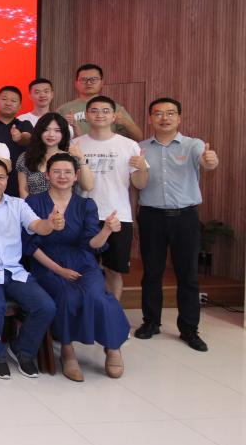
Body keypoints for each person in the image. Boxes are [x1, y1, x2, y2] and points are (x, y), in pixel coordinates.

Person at [25, 153, 129, 381]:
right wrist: (58, 270)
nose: (62, 176)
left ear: (76, 176)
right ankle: (67, 350)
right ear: (47, 175)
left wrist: (107, 231)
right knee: (67, 296)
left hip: (82, 261)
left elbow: (92, 244)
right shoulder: (33, 202)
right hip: (47, 263)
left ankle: (113, 347)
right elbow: (30, 245)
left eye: (68, 172)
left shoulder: (86, 204)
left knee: (98, 296)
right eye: (56, 171)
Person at [0, 158, 59, 379]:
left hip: (14, 271)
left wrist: (50, 224)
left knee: (46, 306)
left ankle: (22, 349)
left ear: (7, 179)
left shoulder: (18, 204)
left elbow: (38, 226)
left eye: (1, 177)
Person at [135, 98, 219, 352]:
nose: (165, 118)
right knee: (152, 273)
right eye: (158, 113)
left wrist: (210, 161)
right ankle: (151, 322)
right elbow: (137, 181)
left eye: (170, 113)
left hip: (185, 217)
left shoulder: (193, 145)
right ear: (150, 118)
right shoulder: (140, 148)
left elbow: (207, 162)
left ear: (179, 118)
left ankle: (189, 329)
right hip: (151, 217)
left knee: (188, 275)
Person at [72, 95, 149, 301]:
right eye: (94, 111)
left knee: (114, 271)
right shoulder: (75, 144)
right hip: (83, 216)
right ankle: (86, 312)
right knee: (82, 269)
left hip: (117, 216)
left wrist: (142, 168)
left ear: (114, 116)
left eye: (106, 111)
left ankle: (111, 313)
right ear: (86, 115)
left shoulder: (129, 145)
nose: (100, 115)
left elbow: (140, 184)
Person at [57, 64, 143, 140]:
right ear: (76, 83)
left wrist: (125, 122)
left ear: (102, 82)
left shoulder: (114, 108)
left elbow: (138, 137)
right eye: (83, 79)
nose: (89, 83)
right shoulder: (64, 109)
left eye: (94, 79)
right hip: (73, 152)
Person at [16, 113, 92, 198]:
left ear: (63, 133)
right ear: (39, 131)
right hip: (33, 205)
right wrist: (31, 206)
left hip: (66, 205)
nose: (51, 134)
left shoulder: (71, 157)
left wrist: (81, 158)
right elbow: (23, 190)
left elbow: (87, 187)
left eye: (57, 130)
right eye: (46, 130)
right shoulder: (26, 157)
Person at [0, 86, 34, 197]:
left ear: (20, 106)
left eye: (13, 101)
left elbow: (28, 138)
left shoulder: (24, 124)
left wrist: (20, 137)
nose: (8, 103)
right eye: (4, 99)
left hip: (19, 182)